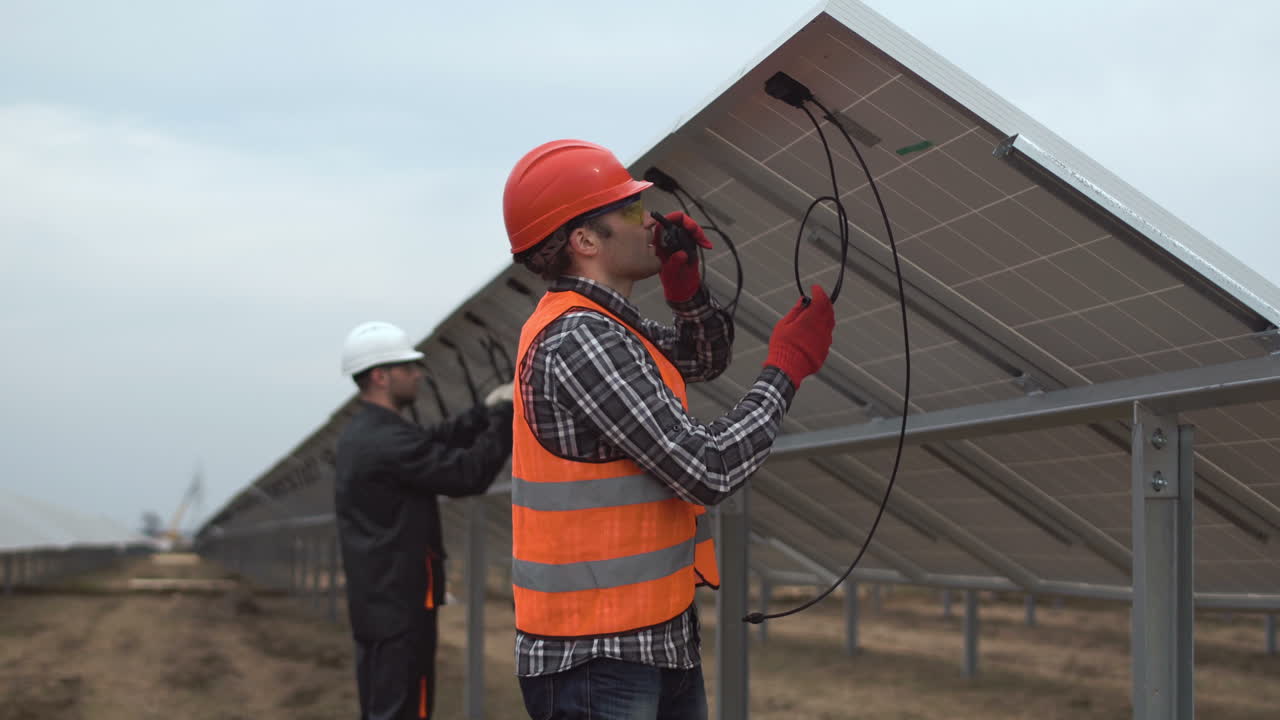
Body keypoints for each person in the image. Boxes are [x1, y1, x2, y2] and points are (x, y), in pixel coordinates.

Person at [502, 139, 836, 719]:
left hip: (650, 640)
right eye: (630, 212)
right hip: (598, 658)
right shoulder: (580, 339)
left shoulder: (607, 327)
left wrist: (686, 293)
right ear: (585, 242)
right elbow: (706, 469)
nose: (650, 221)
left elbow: (699, 360)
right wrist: (785, 370)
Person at [334, 320, 514, 720]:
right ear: (381, 377)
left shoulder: (369, 433)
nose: (419, 375)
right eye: (408, 368)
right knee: (401, 710)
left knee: (386, 706)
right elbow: (468, 475)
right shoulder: (385, 441)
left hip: (381, 602)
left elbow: (431, 442)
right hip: (399, 607)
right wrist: (504, 417)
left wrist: (483, 412)